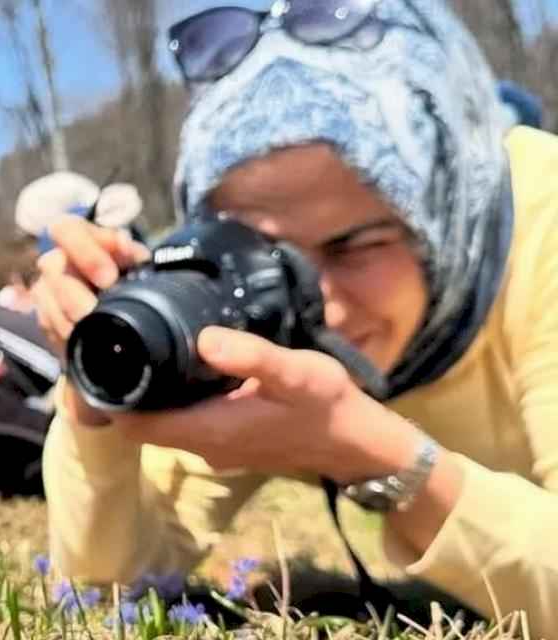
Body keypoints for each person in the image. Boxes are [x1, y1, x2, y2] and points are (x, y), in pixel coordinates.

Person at [35, 0, 558, 631]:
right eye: (269, 256)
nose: (320, 302)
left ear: (447, 206)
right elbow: (107, 585)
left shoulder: (543, 226)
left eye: (357, 245)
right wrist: (98, 406)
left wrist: (375, 457)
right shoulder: (249, 315)